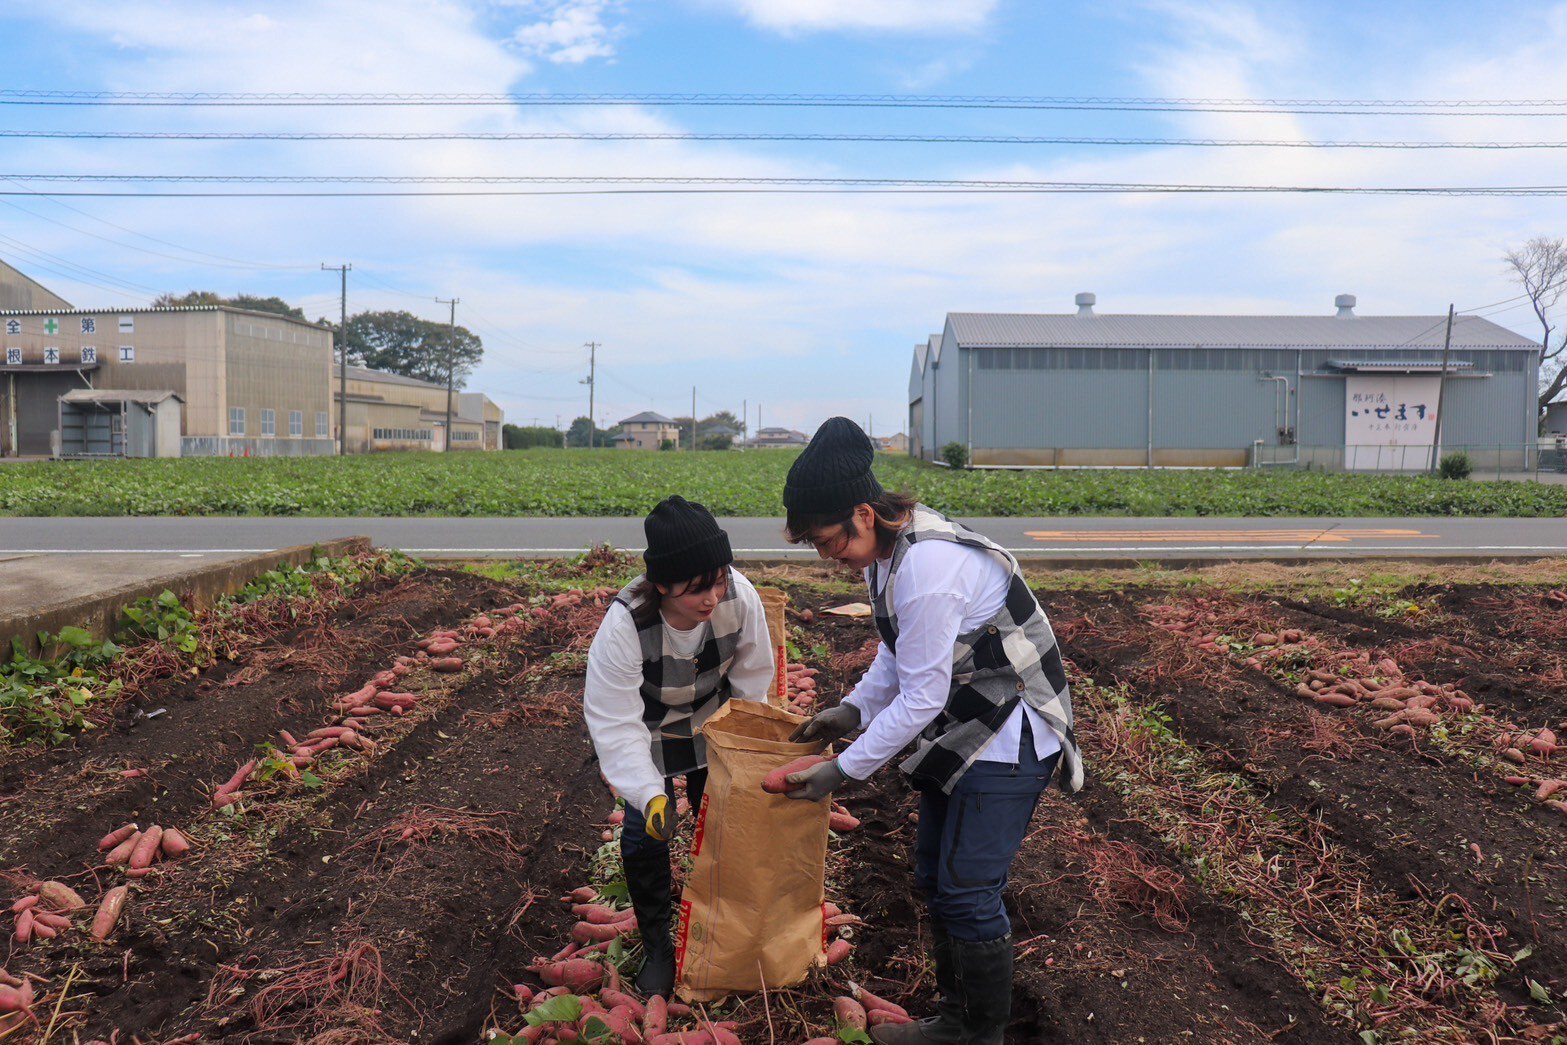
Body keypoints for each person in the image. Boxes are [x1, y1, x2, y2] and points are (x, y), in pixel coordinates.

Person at [780, 418, 1085, 1045]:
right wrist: (853, 709)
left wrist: (843, 770)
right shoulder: (888, 557)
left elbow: (921, 697)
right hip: (969, 723)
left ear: (863, 514)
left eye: (825, 539)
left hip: (1011, 732)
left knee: (969, 890)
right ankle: (955, 1016)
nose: (824, 554)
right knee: (933, 876)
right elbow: (900, 653)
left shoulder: (928, 567)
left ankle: (976, 1033)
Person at [583, 495, 776, 997]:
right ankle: (657, 946)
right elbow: (616, 722)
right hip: (648, 729)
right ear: (663, 584)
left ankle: (719, 928)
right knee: (646, 836)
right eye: (696, 589)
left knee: (725, 820)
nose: (712, 596)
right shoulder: (625, 625)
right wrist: (650, 795)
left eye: (717, 579)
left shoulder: (739, 597)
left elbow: (754, 678)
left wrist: (742, 747)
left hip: (715, 717)